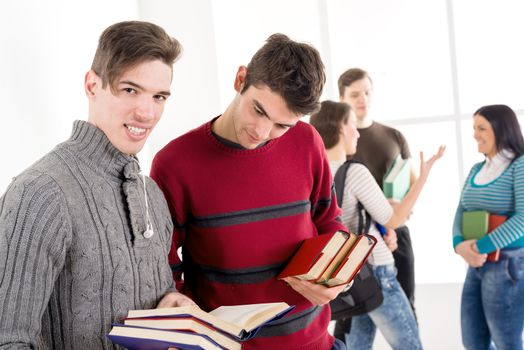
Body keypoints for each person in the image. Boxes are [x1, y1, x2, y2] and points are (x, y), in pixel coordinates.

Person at [0, 21, 193, 349]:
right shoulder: (41, 192)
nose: (146, 112)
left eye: (159, 96)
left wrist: (170, 301)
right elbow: (8, 340)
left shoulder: (152, 195)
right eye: (130, 90)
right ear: (92, 85)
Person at [151, 34, 349, 350]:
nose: (261, 132)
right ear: (240, 79)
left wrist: (335, 274)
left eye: (281, 126)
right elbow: (164, 268)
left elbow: (329, 222)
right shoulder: (174, 164)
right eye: (258, 109)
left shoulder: (307, 141)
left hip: (319, 344)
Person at [310, 100, 444, 349]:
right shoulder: (354, 172)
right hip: (377, 273)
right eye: (352, 125)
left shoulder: (314, 173)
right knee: (411, 345)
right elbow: (394, 220)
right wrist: (422, 177)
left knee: (357, 346)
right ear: (340, 128)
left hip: (349, 276)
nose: (357, 132)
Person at [338, 68, 419, 314]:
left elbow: (412, 181)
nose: (363, 99)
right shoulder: (338, 140)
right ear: (342, 99)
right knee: (352, 316)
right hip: (357, 240)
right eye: (355, 95)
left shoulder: (393, 135)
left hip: (398, 234)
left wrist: (400, 213)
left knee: (406, 310)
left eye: (367, 92)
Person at [453, 104, 524, 350]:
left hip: (507, 264)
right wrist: (458, 245)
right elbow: (461, 210)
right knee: (473, 341)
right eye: (474, 128)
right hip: (477, 262)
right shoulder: (476, 169)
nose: (475, 135)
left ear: (501, 129)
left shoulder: (519, 165)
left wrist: (479, 247)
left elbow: (523, 219)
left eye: (481, 128)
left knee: (507, 342)